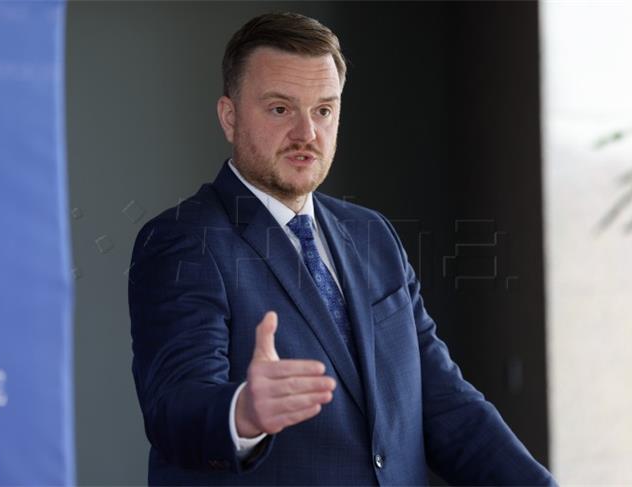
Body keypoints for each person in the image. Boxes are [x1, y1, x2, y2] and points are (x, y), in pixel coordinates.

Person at [129, 12, 557, 486]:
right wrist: (242, 412)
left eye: (323, 111)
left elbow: (445, 403)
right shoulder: (182, 241)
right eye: (280, 109)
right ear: (229, 118)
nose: (307, 134)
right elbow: (174, 406)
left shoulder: (372, 234)